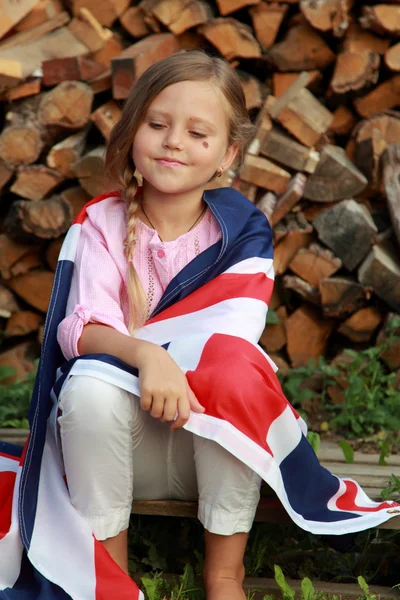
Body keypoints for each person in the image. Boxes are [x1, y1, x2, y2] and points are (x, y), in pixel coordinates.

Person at [56, 50, 262, 600]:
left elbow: (235, 334)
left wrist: (180, 363)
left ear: (227, 154)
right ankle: (111, 578)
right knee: (88, 390)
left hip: (207, 442)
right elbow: (80, 329)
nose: (174, 141)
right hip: (121, 447)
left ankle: (224, 576)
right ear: (133, 130)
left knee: (241, 374)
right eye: (158, 124)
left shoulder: (240, 234)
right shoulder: (101, 223)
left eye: (198, 133)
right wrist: (150, 355)